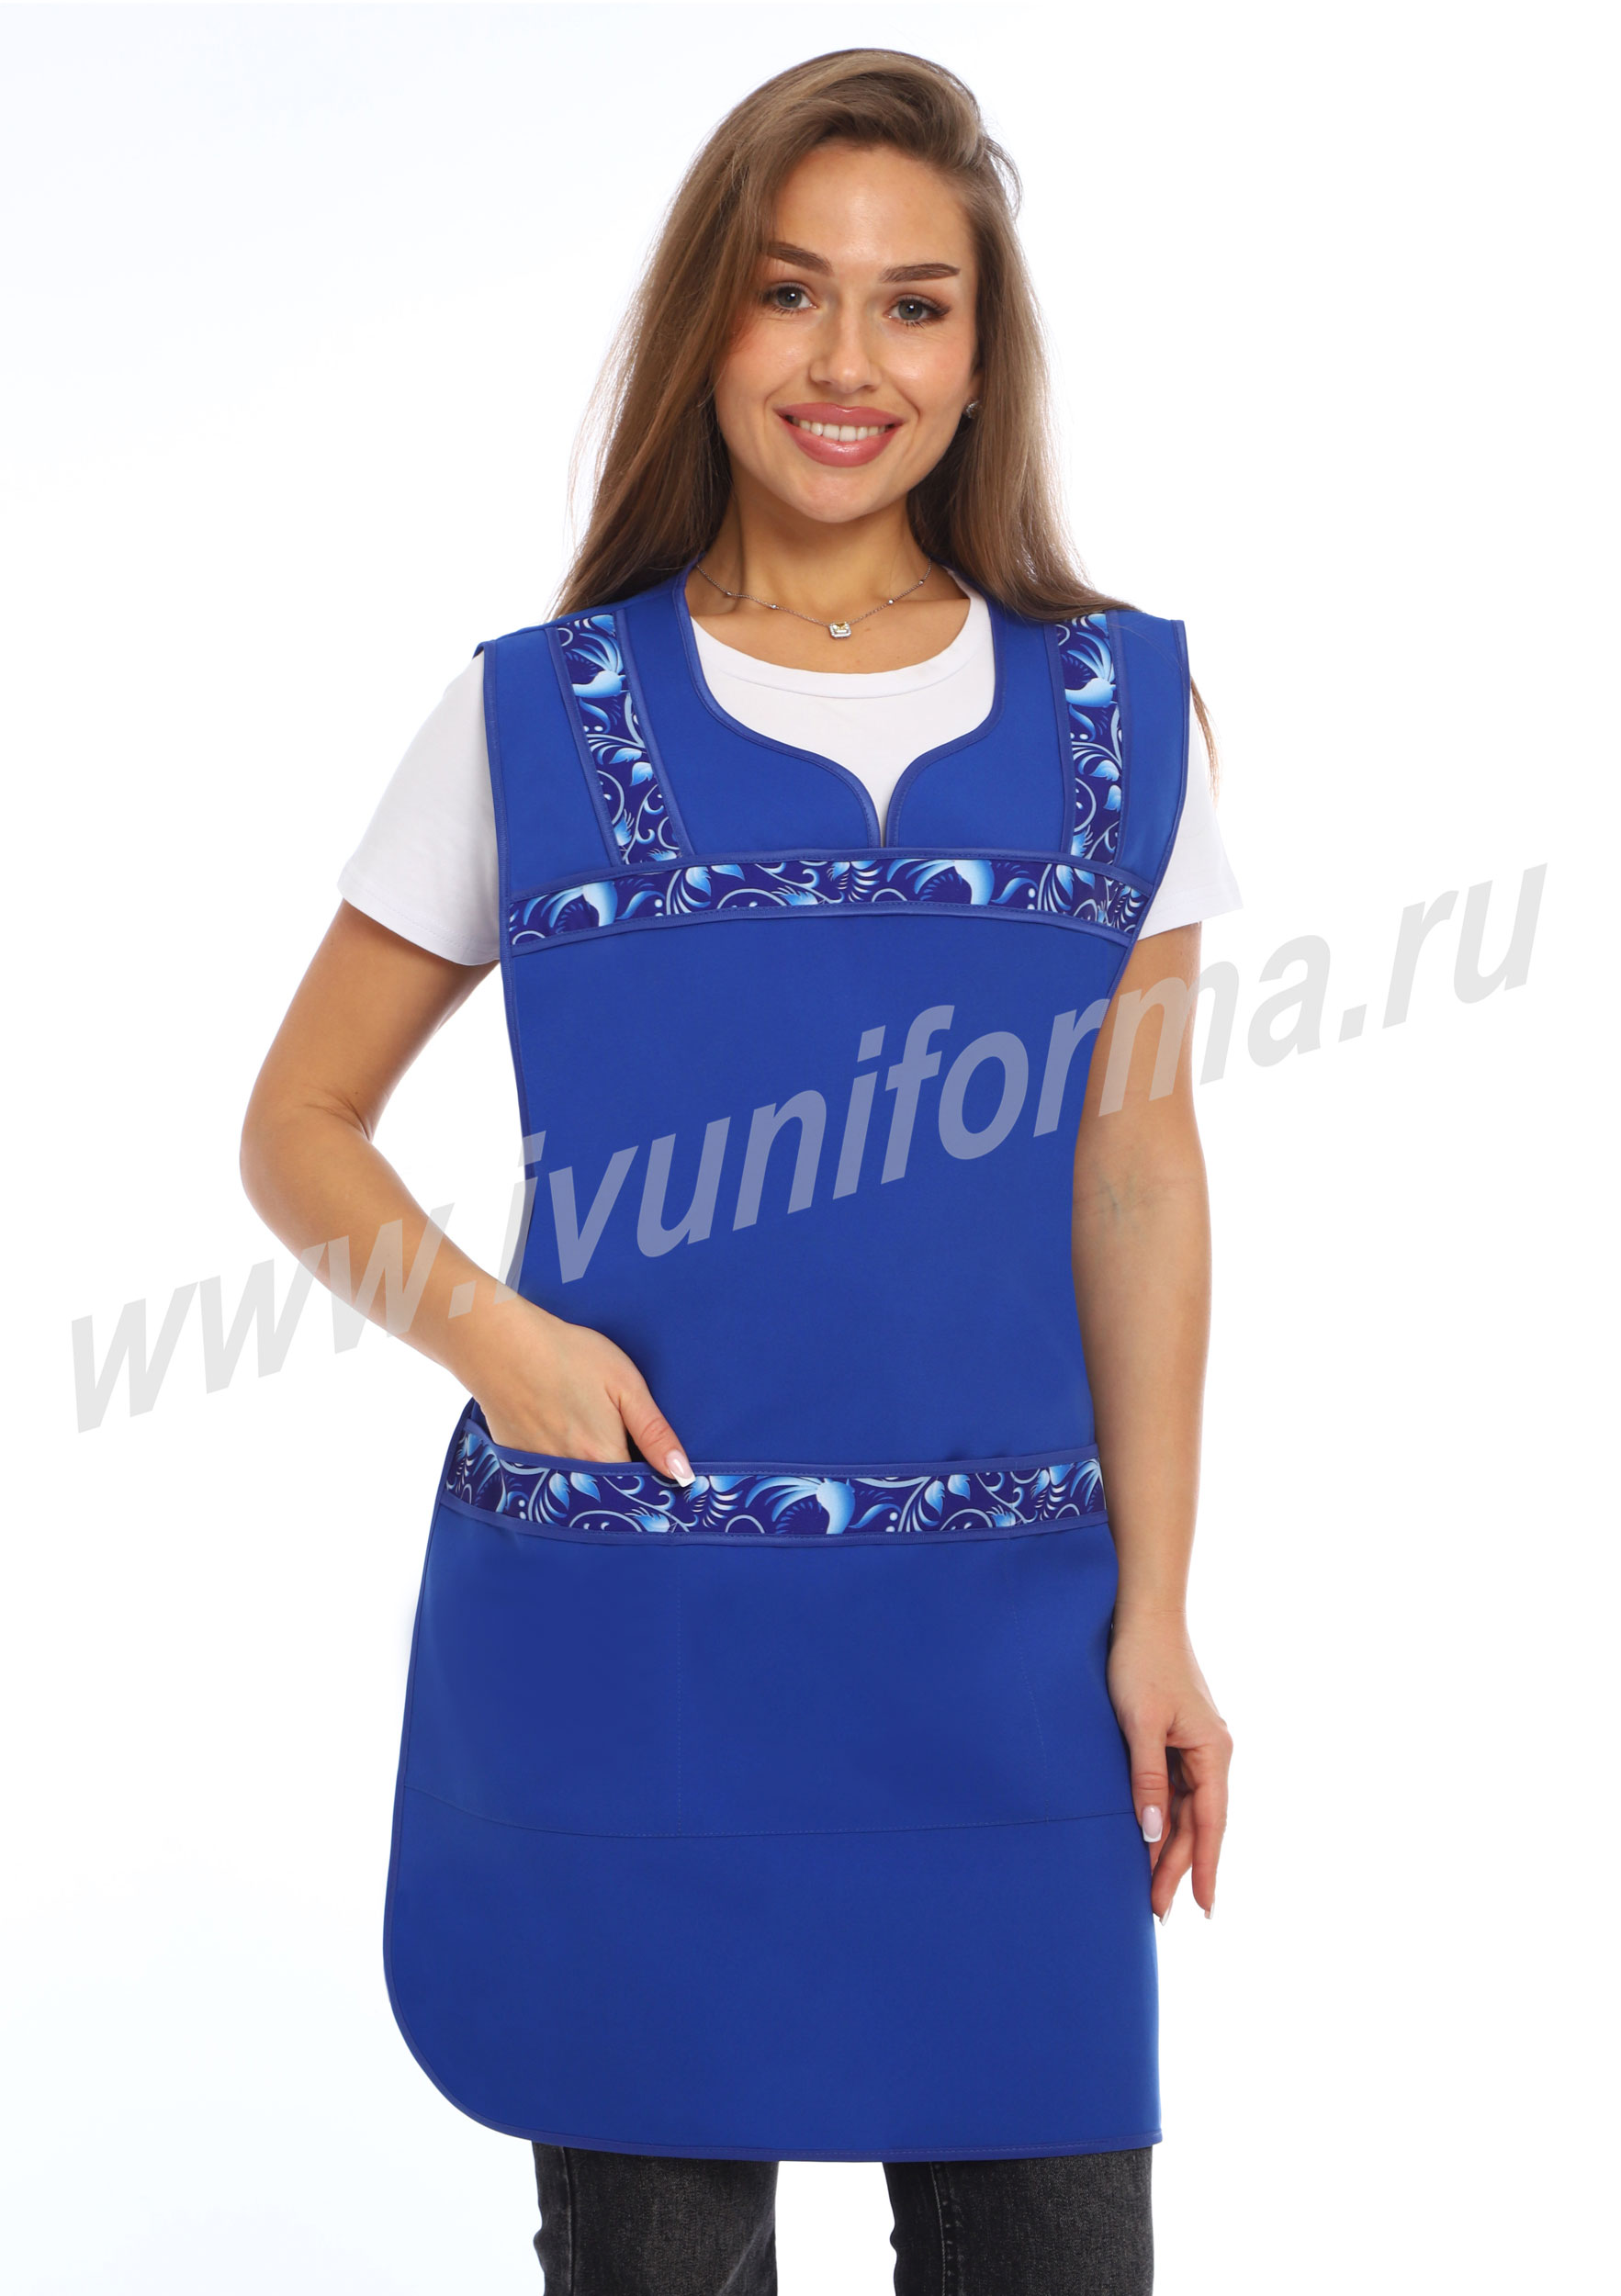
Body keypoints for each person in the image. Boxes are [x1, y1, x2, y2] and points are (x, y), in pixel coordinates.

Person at [241, 47, 1237, 2296]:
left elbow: (1138, 1176)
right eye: (791, 292)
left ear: (979, 354)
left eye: (912, 304)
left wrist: (1159, 1606)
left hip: (1006, 1661)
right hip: (642, 1647)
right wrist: (495, 1341)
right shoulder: (529, 713)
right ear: (709, 322)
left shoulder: (1122, 717)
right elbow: (295, 1123)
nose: (845, 360)